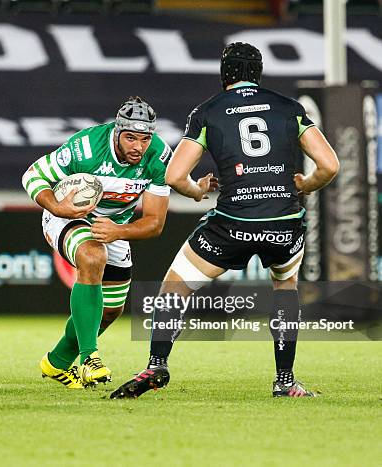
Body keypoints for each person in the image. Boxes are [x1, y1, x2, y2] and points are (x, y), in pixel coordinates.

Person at [110, 42, 339, 399]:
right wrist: (306, 184)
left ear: (224, 74)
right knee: (285, 288)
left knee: (175, 287)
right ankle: (285, 381)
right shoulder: (290, 109)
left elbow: (173, 176)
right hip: (284, 222)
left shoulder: (208, 111)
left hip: (233, 221)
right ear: (259, 73)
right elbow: (330, 165)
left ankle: (156, 364)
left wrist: (197, 191)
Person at [22, 97, 172, 388]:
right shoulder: (86, 147)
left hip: (114, 227)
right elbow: (33, 175)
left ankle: (56, 363)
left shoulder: (158, 156)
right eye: (130, 137)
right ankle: (90, 359)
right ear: (116, 131)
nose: (138, 147)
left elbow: (154, 223)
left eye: (144, 139)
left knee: (110, 311)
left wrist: (118, 232)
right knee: (92, 256)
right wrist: (56, 206)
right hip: (67, 216)